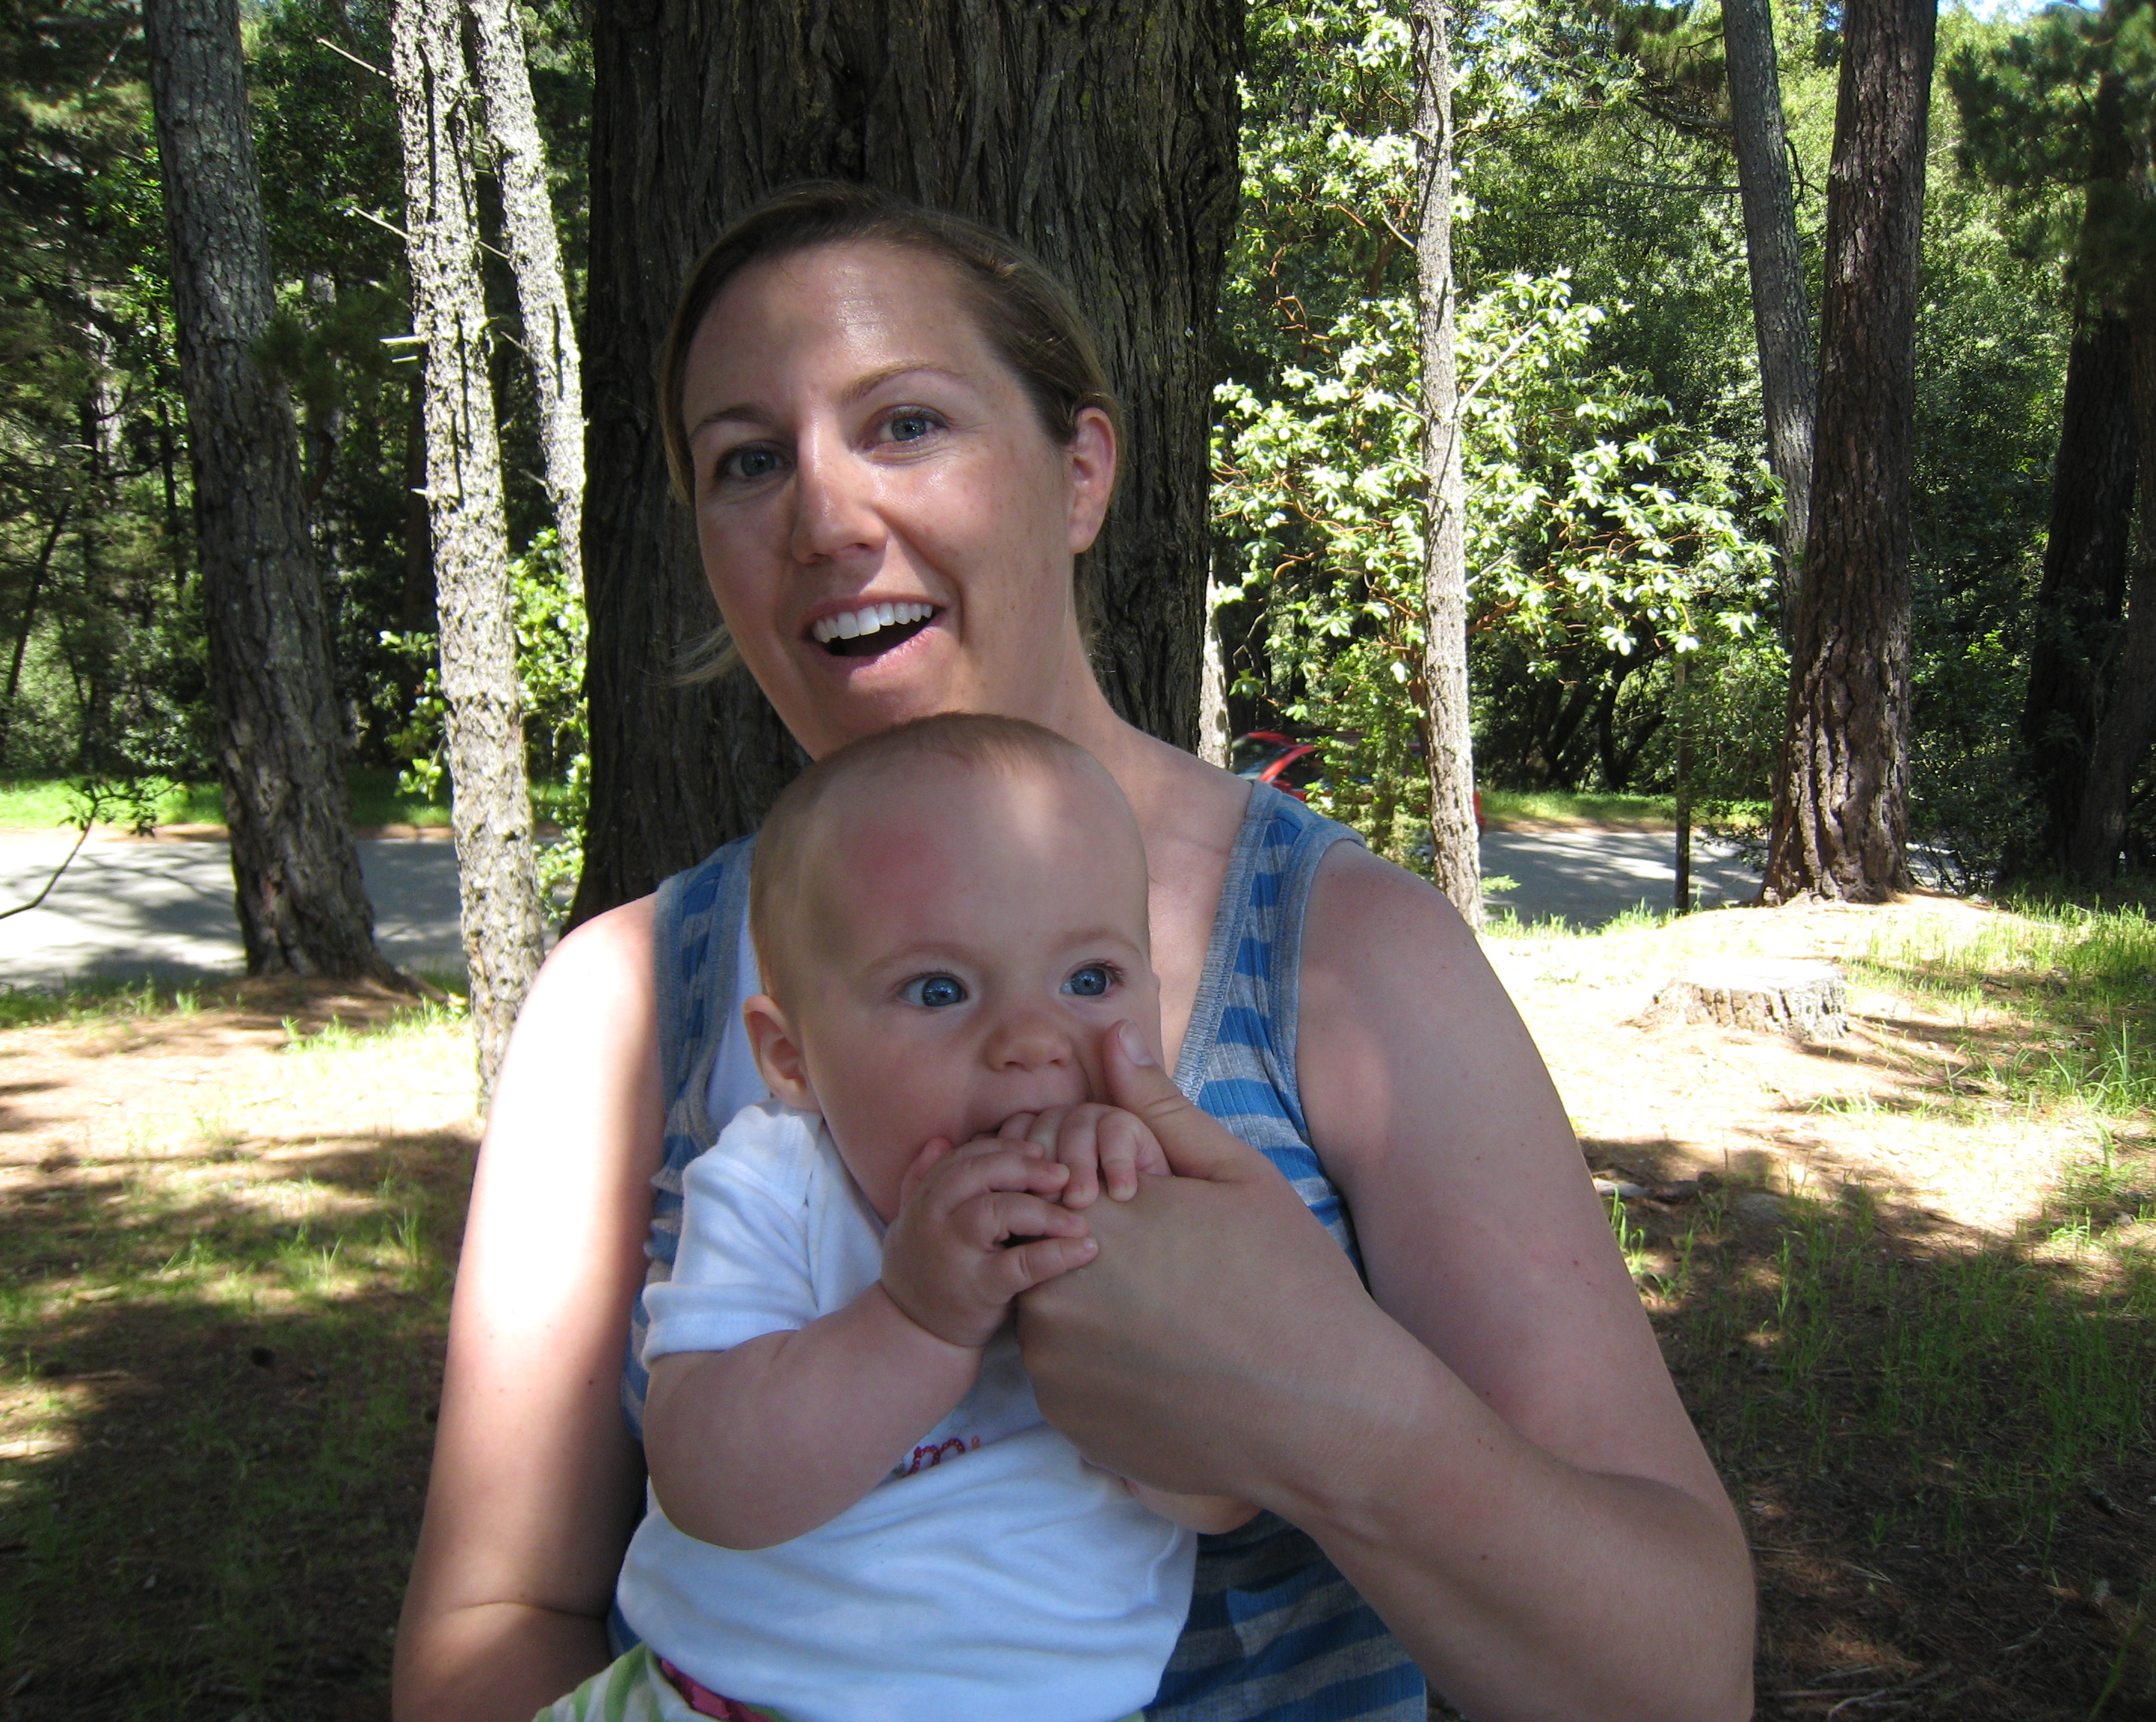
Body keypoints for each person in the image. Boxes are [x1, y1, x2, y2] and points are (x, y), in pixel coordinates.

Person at [393, 179, 1758, 1722]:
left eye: (907, 424)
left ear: (1082, 471)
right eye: (748, 461)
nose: (826, 520)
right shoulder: (626, 1004)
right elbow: (499, 1618)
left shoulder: (1345, 957)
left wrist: (1337, 1409)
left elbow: (1679, 1682)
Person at [543, 715, 1251, 1722]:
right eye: (939, 989)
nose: (1032, 1039)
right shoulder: (776, 1183)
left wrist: (1135, 1325)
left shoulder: (1162, 1195)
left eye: (1089, 981)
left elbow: (1221, 1498)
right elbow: (709, 1485)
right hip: (725, 1700)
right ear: (791, 1059)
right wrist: (917, 1322)